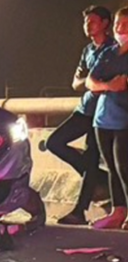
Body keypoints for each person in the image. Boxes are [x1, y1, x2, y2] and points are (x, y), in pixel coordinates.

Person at [46, 6, 117, 225]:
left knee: (92, 156)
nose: (87, 25)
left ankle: (79, 211)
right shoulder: (88, 50)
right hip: (84, 110)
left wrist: (96, 83)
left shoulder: (114, 50)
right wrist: (92, 83)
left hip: (103, 113)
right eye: (86, 22)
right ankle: (101, 180)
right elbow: (76, 82)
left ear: (105, 23)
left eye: (92, 21)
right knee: (54, 142)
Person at [87, 8, 128, 229]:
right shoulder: (109, 52)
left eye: (126, 25)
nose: (120, 29)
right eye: (118, 24)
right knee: (112, 167)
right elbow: (91, 81)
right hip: (103, 119)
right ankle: (118, 211)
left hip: (124, 119)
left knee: (124, 167)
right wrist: (109, 85)